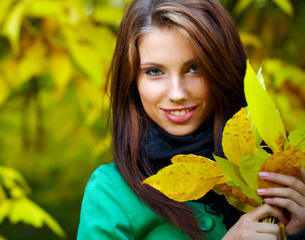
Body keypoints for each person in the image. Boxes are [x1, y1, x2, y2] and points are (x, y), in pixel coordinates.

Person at [77, 0, 305, 239]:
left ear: (222, 70)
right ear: (132, 80)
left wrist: (297, 234)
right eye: (155, 71)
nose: (177, 94)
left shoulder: (275, 172)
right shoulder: (111, 191)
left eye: (194, 68)